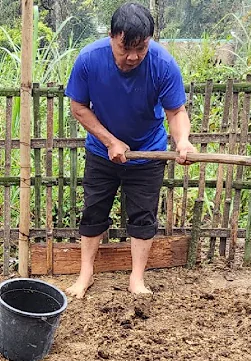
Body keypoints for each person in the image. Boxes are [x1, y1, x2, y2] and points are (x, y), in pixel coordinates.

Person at [64, 2, 196, 298]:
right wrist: (110, 141)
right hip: (101, 152)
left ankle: (136, 279)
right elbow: (78, 107)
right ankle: (86, 273)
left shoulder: (162, 64)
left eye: (142, 48)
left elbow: (176, 112)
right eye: (125, 48)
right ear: (111, 35)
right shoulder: (89, 60)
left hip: (147, 154)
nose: (133, 56)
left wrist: (183, 140)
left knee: (143, 216)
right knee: (94, 211)